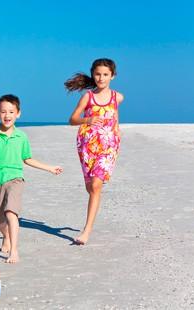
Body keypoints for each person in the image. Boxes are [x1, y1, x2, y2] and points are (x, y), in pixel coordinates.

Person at [0, 94, 63, 263]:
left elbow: (27, 158)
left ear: (18, 113)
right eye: (3, 112)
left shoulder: (22, 137)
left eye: (11, 111)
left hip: (16, 178)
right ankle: (6, 236)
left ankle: (14, 251)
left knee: (11, 212)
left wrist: (49, 168)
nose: (7, 115)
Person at [65, 58, 124, 245]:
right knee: (90, 187)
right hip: (87, 145)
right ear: (93, 74)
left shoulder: (118, 97)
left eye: (105, 74)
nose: (101, 77)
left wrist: (116, 139)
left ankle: (86, 231)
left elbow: (115, 119)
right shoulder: (87, 97)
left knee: (97, 185)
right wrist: (87, 120)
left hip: (108, 146)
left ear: (112, 76)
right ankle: (91, 207)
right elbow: (72, 119)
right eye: (98, 74)